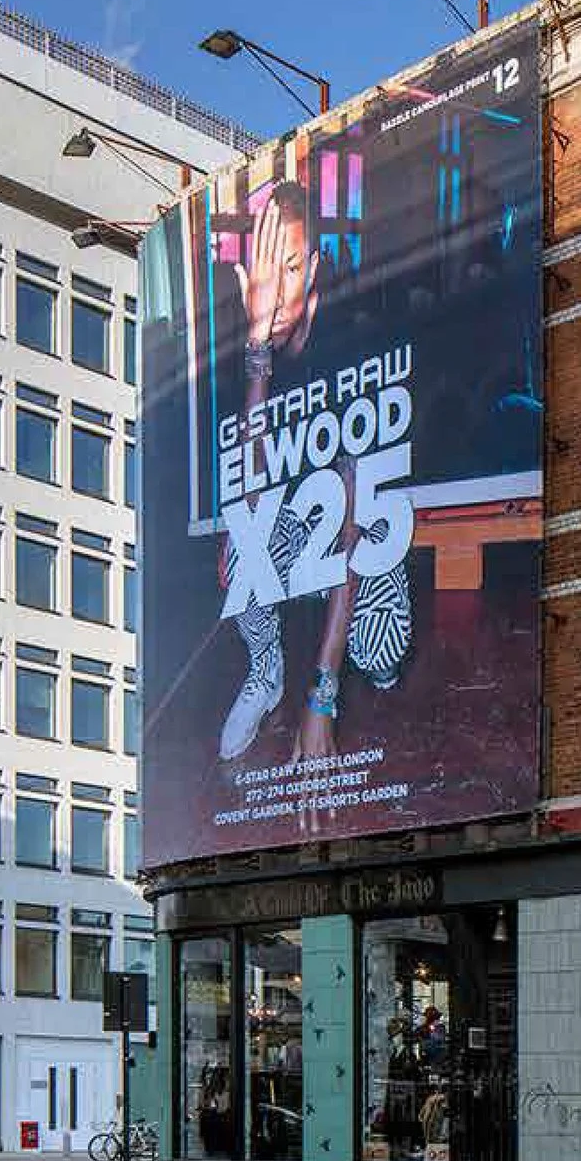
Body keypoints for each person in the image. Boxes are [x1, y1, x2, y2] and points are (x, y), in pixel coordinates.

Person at [216, 181, 414, 828]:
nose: (277, 290)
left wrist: (323, 694)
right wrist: (258, 352)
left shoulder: (350, 340)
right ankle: (266, 671)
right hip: (304, 528)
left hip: (359, 530)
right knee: (237, 547)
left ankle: (362, 667)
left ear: (317, 268)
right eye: (265, 270)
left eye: (292, 267)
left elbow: (352, 526)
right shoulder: (251, 351)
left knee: (380, 650)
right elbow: (250, 496)